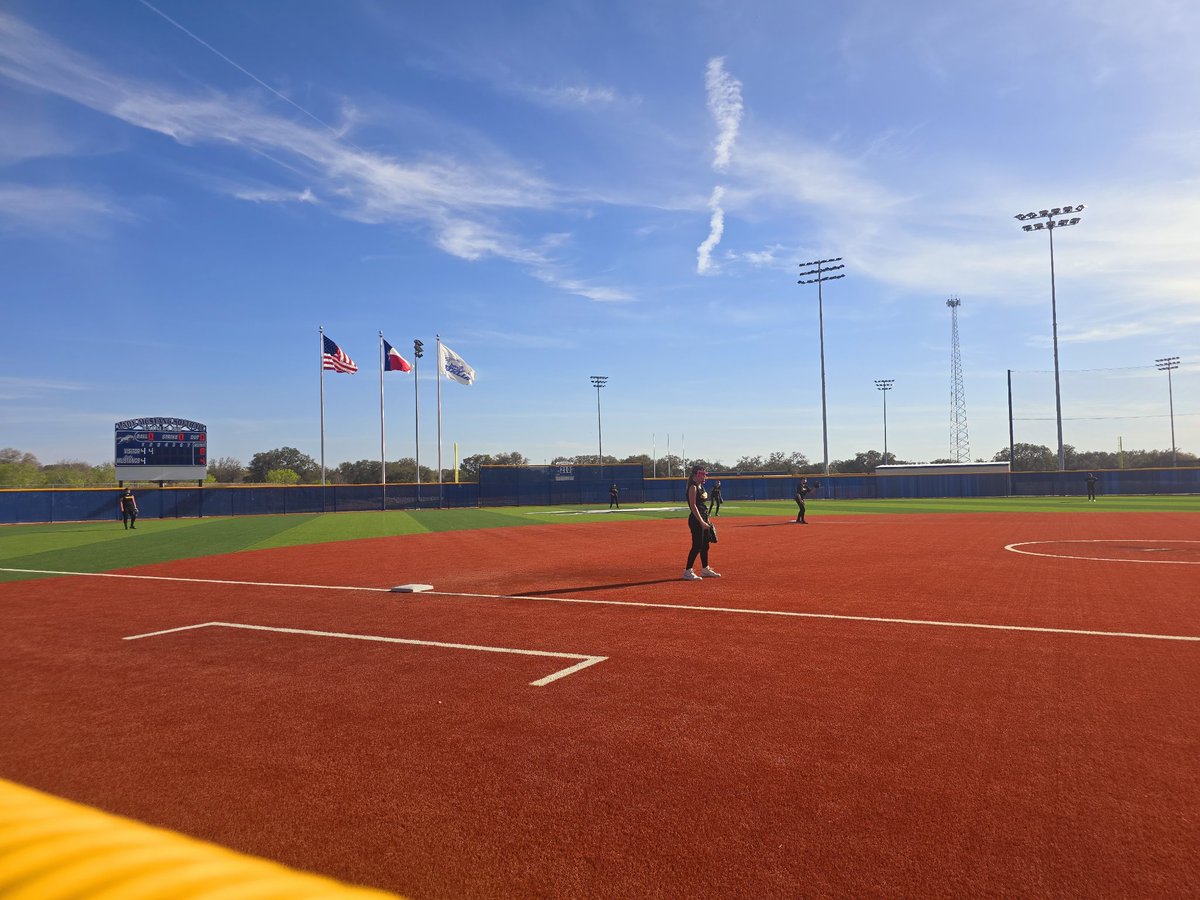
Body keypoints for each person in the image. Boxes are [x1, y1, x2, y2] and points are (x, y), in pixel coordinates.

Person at [683, 464, 720, 580]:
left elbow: (702, 505)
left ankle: (705, 569)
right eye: (702, 474)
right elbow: (693, 506)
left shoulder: (701, 487)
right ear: (695, 475)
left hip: (704, 518)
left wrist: (707, 520)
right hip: (696, 520)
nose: (704, 477)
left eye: (705, 474)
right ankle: (688, 571)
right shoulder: (692, 487)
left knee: (705, 545)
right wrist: (701, 522)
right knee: (697, 545)